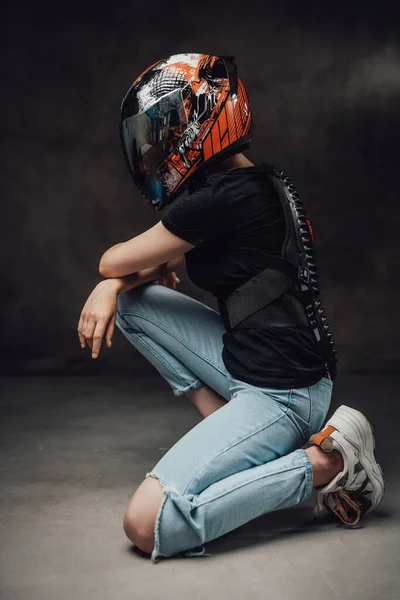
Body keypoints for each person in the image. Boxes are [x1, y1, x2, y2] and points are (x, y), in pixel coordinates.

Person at [77, 53, 384, 563]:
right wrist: (117, 287)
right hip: (270, 366)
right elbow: (159, 264)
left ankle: (326, 465)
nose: (159, 145)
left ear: (202, 123)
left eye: (168, 128)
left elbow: (115, 259)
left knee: (147, 524)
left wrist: (109, 280)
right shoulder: (259, 184)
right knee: (135, 305)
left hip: (285, 393)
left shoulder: (221, 200)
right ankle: (233, 429)